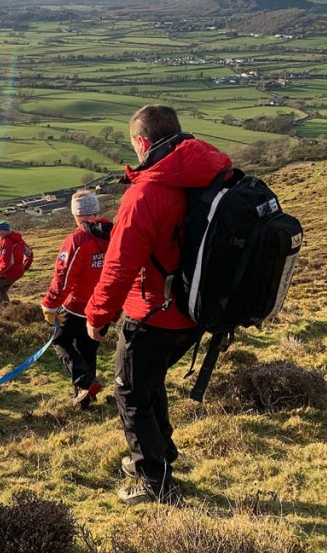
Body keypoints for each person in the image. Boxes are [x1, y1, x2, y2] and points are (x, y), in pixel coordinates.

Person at [85, 105, 231, 505]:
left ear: (143, 142)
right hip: (197, 310)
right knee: (148, 385)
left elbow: (118, 265)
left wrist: (97, 316)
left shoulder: (146, 193)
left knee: (130, 391)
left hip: (153, 312)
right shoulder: (214, 174)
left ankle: (155, 481)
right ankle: (161, 454)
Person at [41, 190, 112, 410]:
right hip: (104, 308)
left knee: (59, 341)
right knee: (88, 349)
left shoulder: (77, 240)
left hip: (77, 307)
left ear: (76, 215)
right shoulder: (114, 234)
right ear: (97, 210)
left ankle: (85, 383)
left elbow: (63, 280)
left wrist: (50, 305)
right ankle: (85, 399)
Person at [0, 221, 30, 311]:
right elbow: (30, 254)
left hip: (9, 273)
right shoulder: (19, 240)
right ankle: (10, 311)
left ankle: (5, 310)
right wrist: (24, 268)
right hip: (18, 272)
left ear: (5, 231)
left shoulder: (7, 242)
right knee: (1, 290)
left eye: (0, 231)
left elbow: (7, 264)